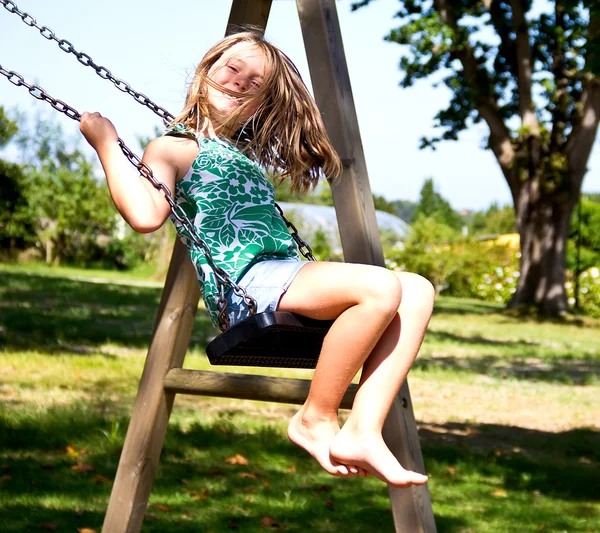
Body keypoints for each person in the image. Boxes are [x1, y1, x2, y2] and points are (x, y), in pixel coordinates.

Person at [80, 31, 435, 488]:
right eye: (233, 69)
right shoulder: (172, 147)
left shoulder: (239, 154)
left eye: (257, 83)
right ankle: (316, 418)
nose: (241, 82)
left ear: (263, 103)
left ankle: (363, 429)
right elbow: (147, 215)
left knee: (418, 289)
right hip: (246, 284)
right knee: (381, 287)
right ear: (205, 71)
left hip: (282, 272)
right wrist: (107, 144)